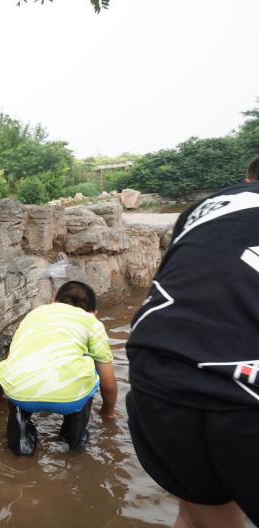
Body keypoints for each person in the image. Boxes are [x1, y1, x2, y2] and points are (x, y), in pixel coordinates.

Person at [126, 154, 259, 527]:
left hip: (158, 376)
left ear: (247, 180)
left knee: (203, 520)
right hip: (246, 392)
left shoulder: (207, 208)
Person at [0, 280, 118, 456]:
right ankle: (73, 441)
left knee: (21, 385)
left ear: (53, 301)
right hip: (71, 399)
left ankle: (21, 447)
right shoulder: (92, 323)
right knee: (91, 368)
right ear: (94, 313)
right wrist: (109, 411)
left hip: (19, 391)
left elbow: (14, 356)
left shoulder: (34, 314)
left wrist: (7, 392)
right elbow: (108, 382)